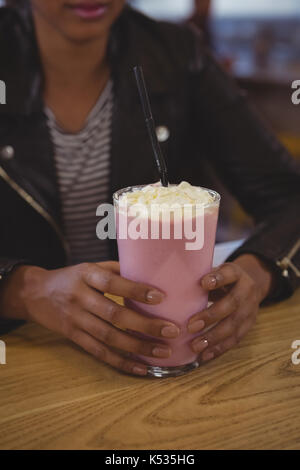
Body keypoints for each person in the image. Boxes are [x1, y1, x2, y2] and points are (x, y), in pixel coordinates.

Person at [0, 0, 299, 376]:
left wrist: (257, 274)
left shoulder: (176, 54)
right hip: (27, 363)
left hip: (176, 355)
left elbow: (289, 196)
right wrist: (24, 291)